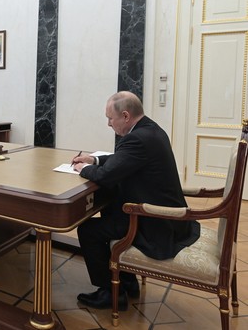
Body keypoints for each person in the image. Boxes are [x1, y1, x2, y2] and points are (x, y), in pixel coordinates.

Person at [71, 91, 200, 310]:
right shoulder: (150, 130)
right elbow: (123, 160)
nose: (108, 124)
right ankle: (127, 282)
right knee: (111, 208)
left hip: (156, 222)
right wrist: (94, 159)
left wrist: (84, 168)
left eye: (110, 119)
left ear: (125, 116)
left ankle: (110, 293)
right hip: (166, 218)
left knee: (87, 230)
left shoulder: (137, 139)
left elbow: (105, 176)